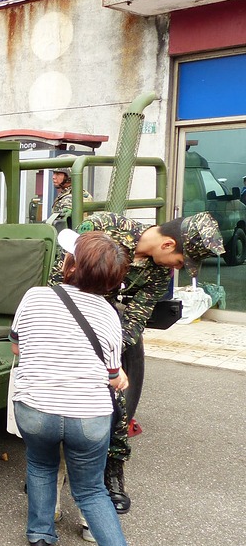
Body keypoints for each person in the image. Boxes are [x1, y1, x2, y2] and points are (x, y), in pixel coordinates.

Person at [49, 211, 223, 514]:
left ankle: (112, 474)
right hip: (66, 326)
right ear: (168, 245)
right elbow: (59, 278)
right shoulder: (103, 227)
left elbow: (135, 320)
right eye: (181, 262)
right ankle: (46, 476)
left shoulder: (157, 275)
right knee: (52, 402)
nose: (178, 269)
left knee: (117, 404)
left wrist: (107, 352)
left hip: (110, 339)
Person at [12, 229, 137, 546]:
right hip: (89, 418)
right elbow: (113, 375)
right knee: (91, 491)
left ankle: (39, 538)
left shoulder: (35, 297)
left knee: (40, 464)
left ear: (70, 267)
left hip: (36, 409)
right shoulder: (111, 316)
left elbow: (18, 348)